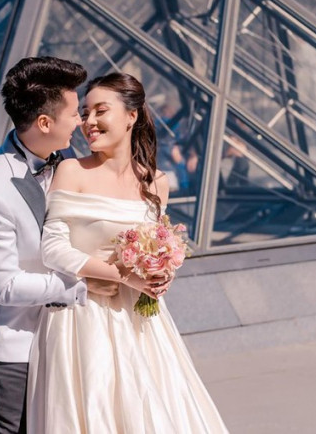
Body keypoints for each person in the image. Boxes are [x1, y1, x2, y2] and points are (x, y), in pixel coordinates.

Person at [27, 73, 229, 433]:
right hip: (82, 319)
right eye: (85, 113)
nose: (89, 122)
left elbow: (157, 242)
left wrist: (162, 271)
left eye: (100, 111)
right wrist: (122, 275)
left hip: (141, 320)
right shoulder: (72, 171)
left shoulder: (156, 182)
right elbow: (52, 248)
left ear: (131, 116)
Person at [0, 57, 119, 434]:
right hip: (12, 343)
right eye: (75, 114)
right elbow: (4, 286)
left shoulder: (66, 163)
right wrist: (82, 284)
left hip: (61, 334)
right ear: (45, 123)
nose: (81, 122)